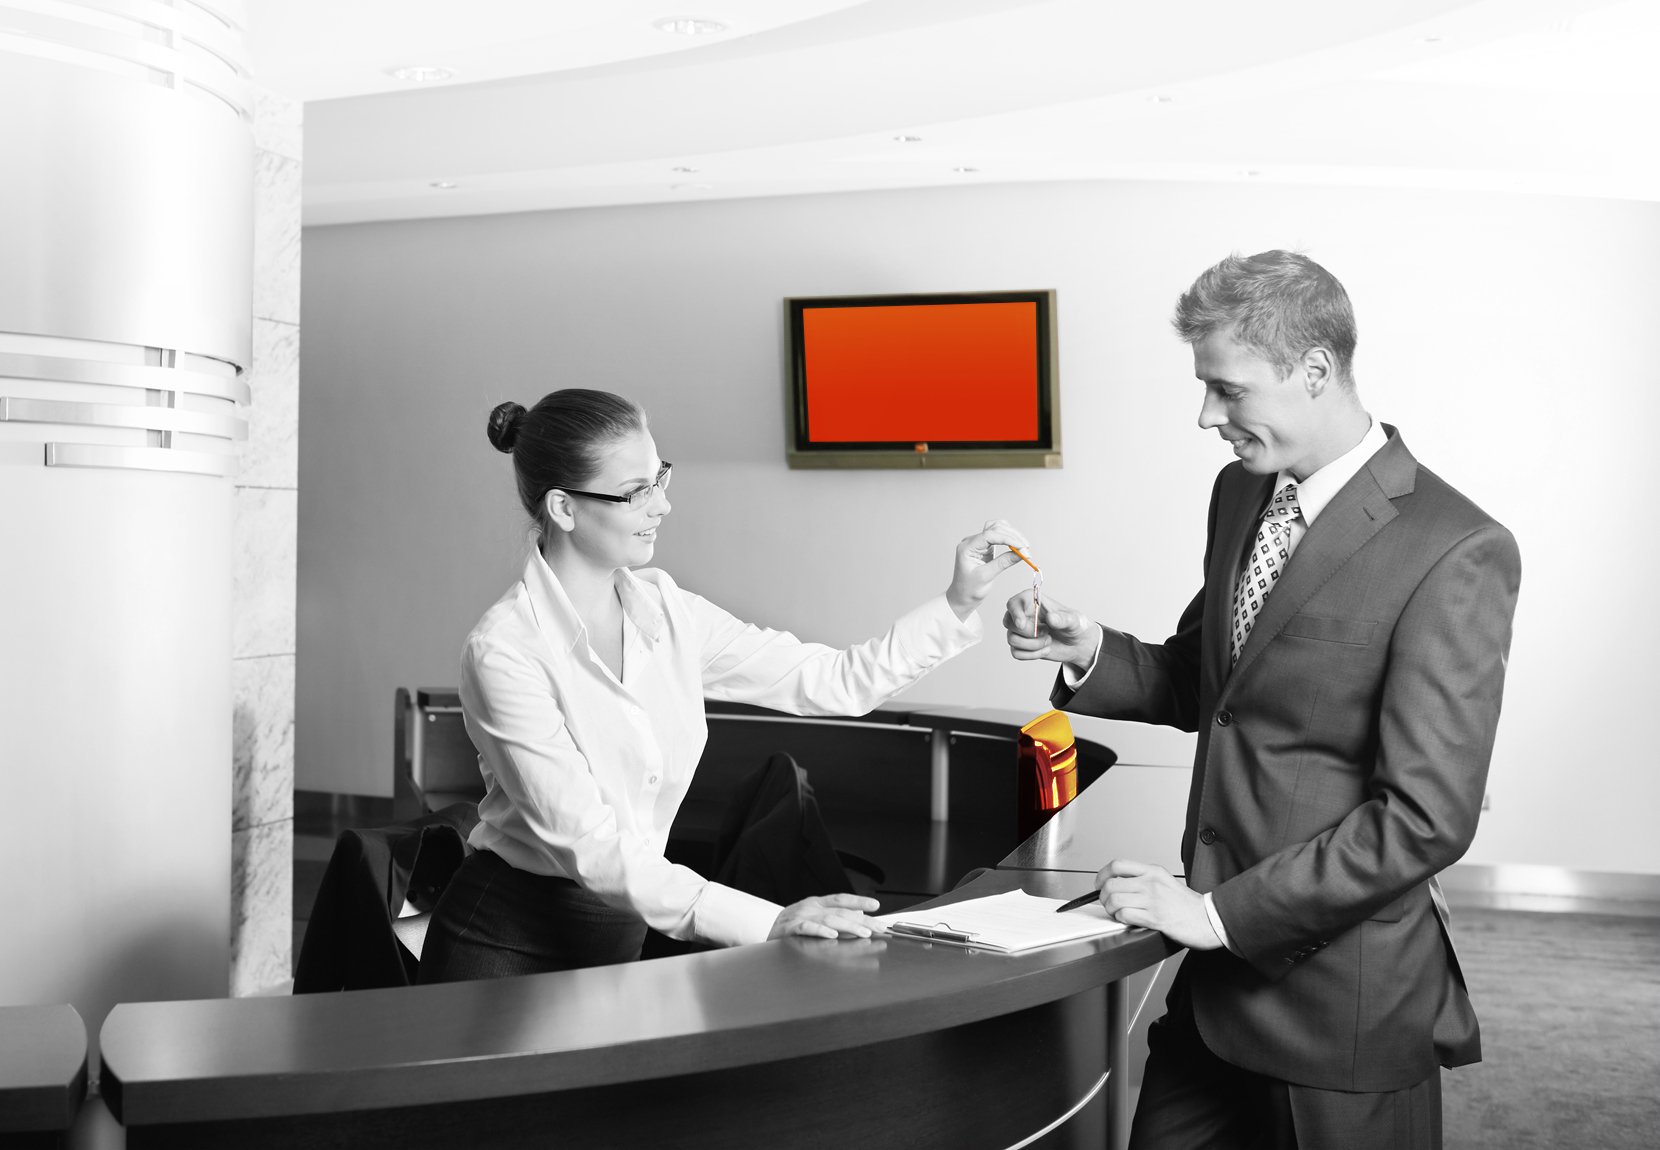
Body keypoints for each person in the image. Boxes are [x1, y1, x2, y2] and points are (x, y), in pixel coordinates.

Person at [1004, 251, 1520, 1148]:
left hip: (1340, 1007)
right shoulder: (1240, 492)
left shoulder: (1456, 547)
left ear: (1314, 370)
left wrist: (1213, 915)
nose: (1207, 416)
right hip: (1212, 992)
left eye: (1227, 390)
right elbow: (1217, 685)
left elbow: (1425, 819)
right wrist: (1090, 652)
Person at [419, 388, 1030, 983]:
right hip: (506, 947)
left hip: (616, 936)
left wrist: (959, 601)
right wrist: (767, 921)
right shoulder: (505, 652)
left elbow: (834, 681)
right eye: (636, 491)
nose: (662, 506)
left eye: (660, 478)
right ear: (563, 508)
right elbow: (591, 845)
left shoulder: (667, 609)